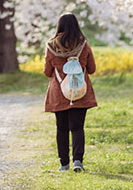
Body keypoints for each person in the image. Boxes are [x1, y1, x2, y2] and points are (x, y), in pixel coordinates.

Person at [43, 13, 97, 173]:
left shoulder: (51, 46)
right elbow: (92, 69)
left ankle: (64, 164)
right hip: (80, 91)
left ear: (59, 26)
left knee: (61, 128)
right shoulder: (83, 44)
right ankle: (78, 162)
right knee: (78, 128)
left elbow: (47, 72)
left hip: (59, 92)